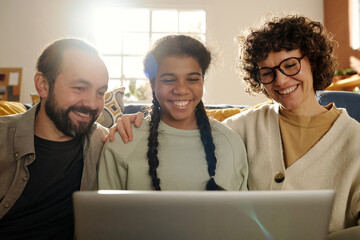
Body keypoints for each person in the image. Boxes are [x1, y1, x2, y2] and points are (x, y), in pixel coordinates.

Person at [109, 15, 360, 238]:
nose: (281, 80)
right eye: (268, 72)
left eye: (291, 65)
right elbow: (186, 121)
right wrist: (135, 118)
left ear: (313, 62)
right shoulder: (243, 126)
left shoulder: (355, 140)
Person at [98, 35, 248, 191]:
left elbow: (243, 213)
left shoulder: (231, 143)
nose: (181, 90)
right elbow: (104, 213)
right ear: (152, 84)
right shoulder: (122, 142)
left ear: (202, 81)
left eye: (192, 79)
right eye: (169, 80)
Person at [0, 38, 109, 239]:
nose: (93, 104)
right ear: (43, 85)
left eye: (100, 92)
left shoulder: (104, 141)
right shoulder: (3, 137)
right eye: (79, 88)